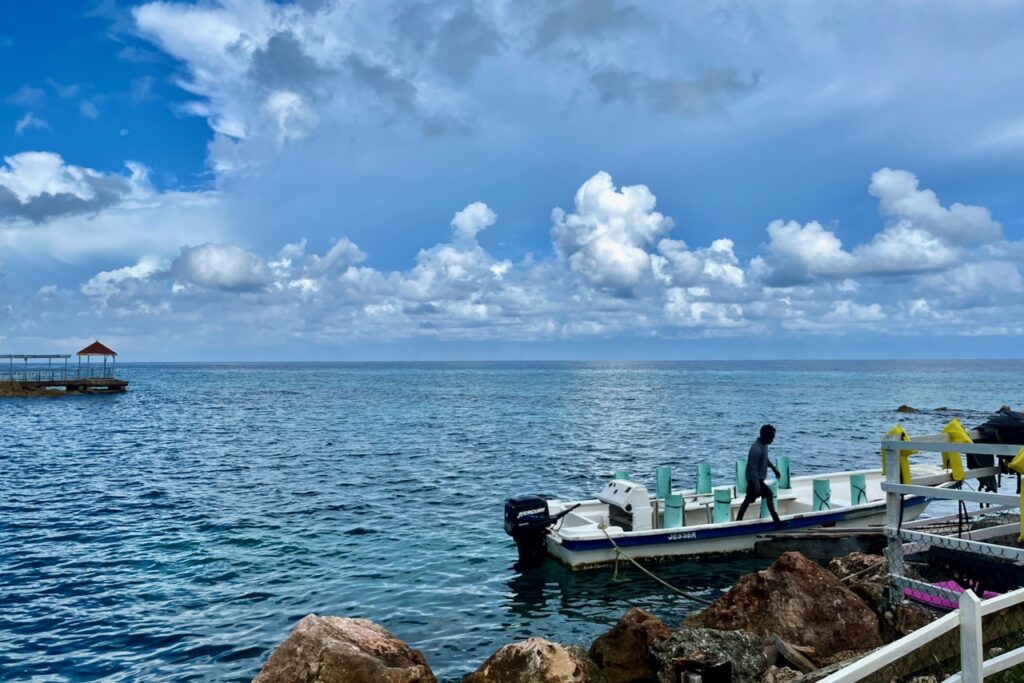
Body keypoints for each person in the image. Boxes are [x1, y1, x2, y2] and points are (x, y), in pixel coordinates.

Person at [736, 424, 788, 528]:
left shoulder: (764, 445)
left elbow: (765, 459)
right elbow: (753, 469)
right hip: (754, 479)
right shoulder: (756, 449)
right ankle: (776, 522)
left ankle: (738, 521)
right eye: (772, 437)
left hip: (758, 479)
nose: (773, 440)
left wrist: (773, 468)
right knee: (763, 496)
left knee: (749, 500)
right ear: (765, 436)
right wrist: (756, 486)